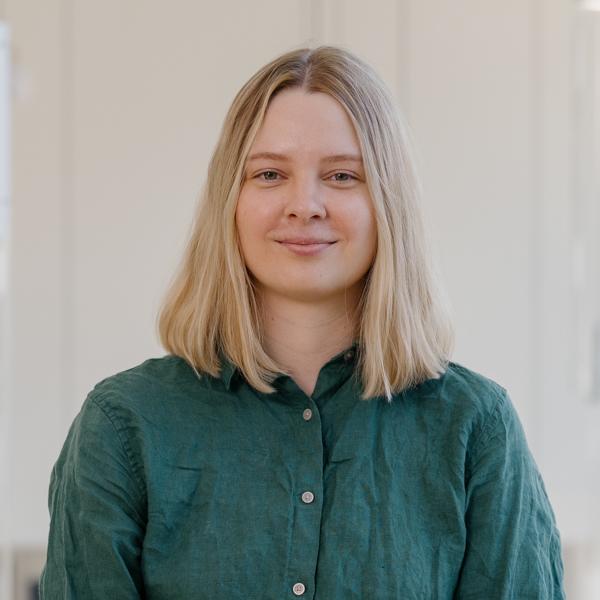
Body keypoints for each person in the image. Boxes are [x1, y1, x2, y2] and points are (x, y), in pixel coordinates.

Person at [39, 45, 565, 598]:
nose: (305, 204)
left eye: (341, 175)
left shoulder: (476, 429)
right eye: (270, 174)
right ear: (230, 200)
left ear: (388, 203)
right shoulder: (122, 426)